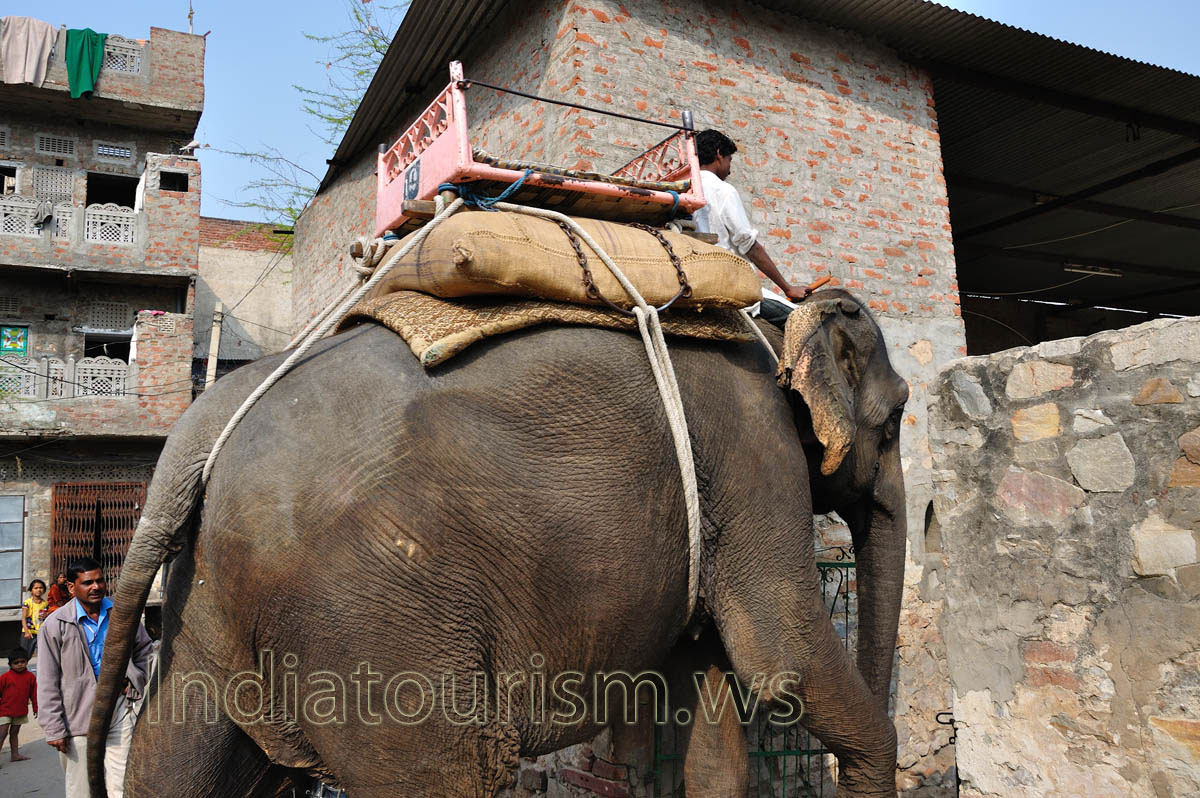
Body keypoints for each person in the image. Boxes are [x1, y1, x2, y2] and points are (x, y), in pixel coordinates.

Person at [38, 557, 152, 798]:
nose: (96, 587)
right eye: (88, 583)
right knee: (81, 790)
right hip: (76, 715)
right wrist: (54, 727)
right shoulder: (55, 624)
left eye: (100, 581)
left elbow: (144, 651)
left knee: (121, 786)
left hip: (118, 709)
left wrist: (134, 680)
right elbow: (47, 679)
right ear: (71, 587)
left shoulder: (122, 614)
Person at [693, 128, 810, 321]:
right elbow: (749, 245)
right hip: (729, 285)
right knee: (804, 321)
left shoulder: (682, 187)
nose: (730, 169)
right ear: (719, 154)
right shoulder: (723, 190)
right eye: (730, 160)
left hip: (695, 281)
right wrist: (788, 288)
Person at [0, 647, 37, 763]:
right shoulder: (4, 678)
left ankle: (15, 755)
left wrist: (36, 708)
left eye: (23, 662)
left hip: (20, 710)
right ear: (10, 664)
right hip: (4, 710)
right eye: (16, 663)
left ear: (27, 661)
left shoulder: (30, 677)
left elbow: (34, 694)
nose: (20, 665)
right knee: (2, 733)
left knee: (14, 733)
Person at [20, 579, 48, 658]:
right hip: (29, 632)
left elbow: (45, 617)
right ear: (31, 590)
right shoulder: (27, 602)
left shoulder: (45, 603)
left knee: (42, 655)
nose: (39, 590)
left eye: (41, 588)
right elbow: (23, 618)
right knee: (25, 655)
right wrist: (26, 632)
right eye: (36, 588)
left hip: (40, 632)